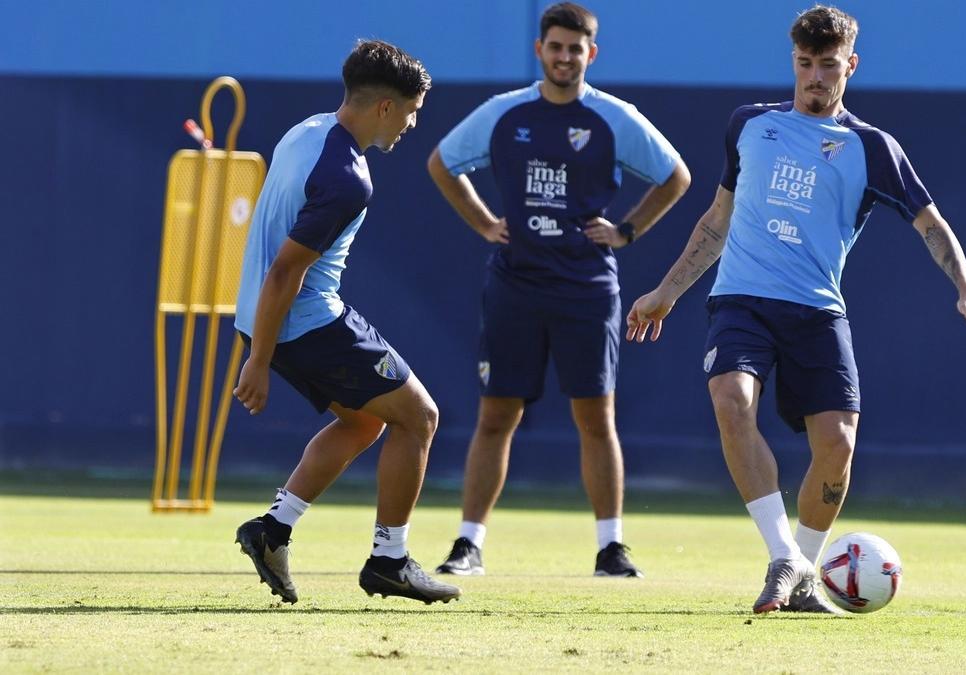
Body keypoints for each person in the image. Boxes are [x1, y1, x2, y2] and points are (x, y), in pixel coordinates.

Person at [625, 5, 966, 613]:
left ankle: (805, 565)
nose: (814, 78)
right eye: (804, 64)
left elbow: (933, 226)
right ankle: (783, 557)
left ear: (849, 66)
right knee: (731, 399)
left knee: (839, 445)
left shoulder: (872, 147)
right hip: (741, 300)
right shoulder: (748, 124)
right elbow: (716, 221)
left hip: (816, 310)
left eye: (828, 66)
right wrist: (667, 290)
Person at [427, 2, 690, 578]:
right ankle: (468, 544)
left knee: (596, 417)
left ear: (590, 54)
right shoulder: (505, 114)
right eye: (556, 46)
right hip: (515, 282)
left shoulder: (613, 118)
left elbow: (677, 175)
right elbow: (443, 163)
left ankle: (610, 548)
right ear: (540, 50)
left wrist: (626, 231)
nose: (565, 56)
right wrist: (482, 222)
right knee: (496, 416)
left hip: (586, 286)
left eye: (576, 48)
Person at [231, 39, 460, 606]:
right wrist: (258, 361)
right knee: (420, 418)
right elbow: (285, 271)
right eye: (410, 112)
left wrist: (259, 343)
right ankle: (390, 561)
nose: (410, 125)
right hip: (301, 321)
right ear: (384, 107)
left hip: (263, 316)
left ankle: (272, 530)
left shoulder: (306, 130)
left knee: (364, 423)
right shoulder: (347, 177)